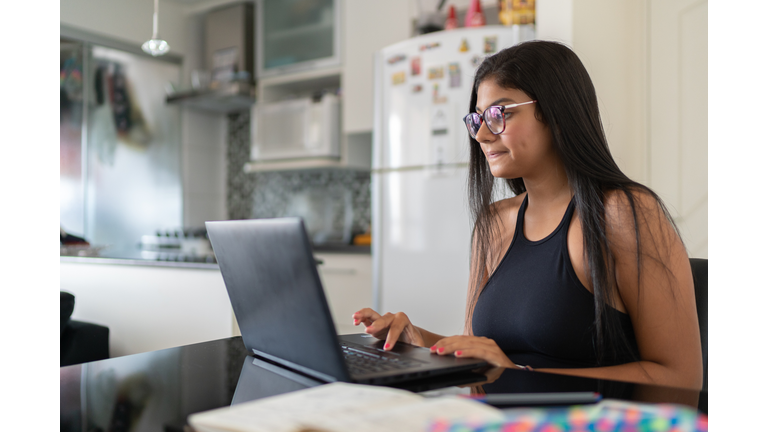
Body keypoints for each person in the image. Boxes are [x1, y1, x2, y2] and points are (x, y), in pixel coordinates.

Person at [353, 40, 703, 390]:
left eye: (500, 114)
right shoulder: (493, 223)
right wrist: (418, 341)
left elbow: (680, 381)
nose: (482, 135)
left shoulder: (624, 214)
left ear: (556, 111)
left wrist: (520, 376)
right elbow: (479, 355)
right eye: (478, 118)